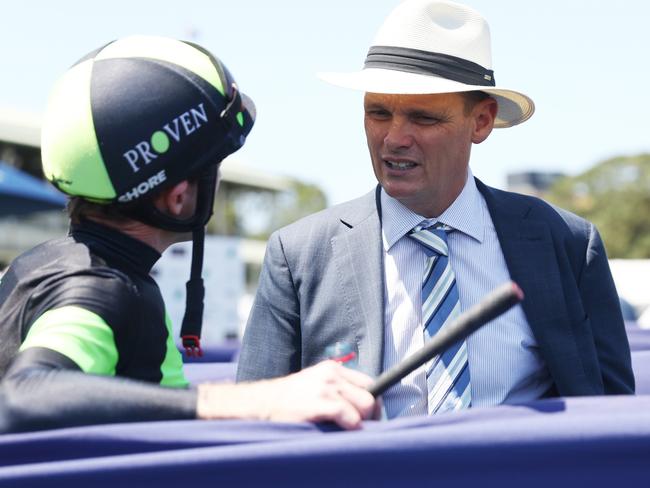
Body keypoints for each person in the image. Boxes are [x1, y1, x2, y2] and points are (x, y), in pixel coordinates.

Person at [237, 0, 635, 417]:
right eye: (378, 113)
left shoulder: (565, 244)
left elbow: (610, 420)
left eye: (423, 118)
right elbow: (252, 424)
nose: (394, 137)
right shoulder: (299, 254)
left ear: (481, 121)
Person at [0, 35, 377, 433]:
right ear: (178, 197)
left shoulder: (42, 263)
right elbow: (24, 395)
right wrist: (258, 401)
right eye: (213, 166)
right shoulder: (101, 289)